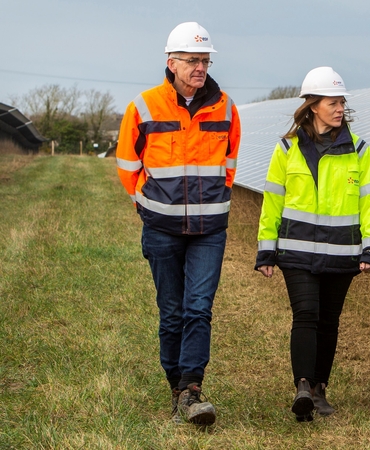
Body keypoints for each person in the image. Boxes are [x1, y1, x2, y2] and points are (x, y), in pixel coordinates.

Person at [116, 21, 240, 425]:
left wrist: (214, 202)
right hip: (161, 230)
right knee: (171, 312)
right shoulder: (145, 106)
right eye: (192, 60)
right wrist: (147, 204)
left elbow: (230, 165)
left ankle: (192, 390)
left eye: (204, 60)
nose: (199, 67)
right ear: (171, 63)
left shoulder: (225, 108)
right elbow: (127, 164)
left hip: (210, 233)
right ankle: (175, 387)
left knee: (198, 309)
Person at [255, 66, 370, 422]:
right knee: (306, 315)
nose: (340, 107)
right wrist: (267, 249)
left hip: (342, 253)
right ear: (313, 105)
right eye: (332, 101)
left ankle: (318, 389)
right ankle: (302, 386)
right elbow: (273, 202)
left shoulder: (358, 150)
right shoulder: (286, 149)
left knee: (329, 320)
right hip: (297, 252)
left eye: (342, 101)